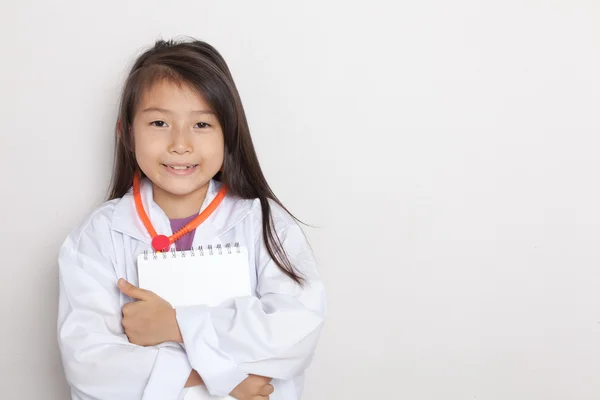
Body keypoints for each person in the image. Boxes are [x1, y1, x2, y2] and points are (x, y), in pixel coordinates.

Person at [57, 38, 326, 400]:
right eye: (158, 122)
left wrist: (177, 325)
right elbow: (89, 363)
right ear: (127, 134)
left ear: (228, 133)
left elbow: (294, 331)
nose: (180, 144)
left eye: (201, 124)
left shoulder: (264, 222)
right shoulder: (98, 237)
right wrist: (223, 376)